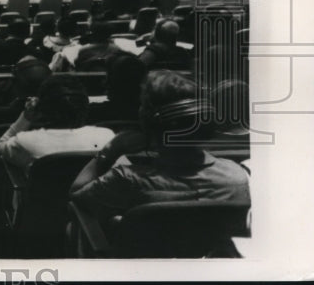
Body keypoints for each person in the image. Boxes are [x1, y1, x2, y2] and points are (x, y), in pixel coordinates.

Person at [70, 70, 250, 221]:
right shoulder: (238, 176)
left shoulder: (126, 180)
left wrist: (110, 151)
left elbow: (77, 198)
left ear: (148, 121)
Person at [0, 74, 114, 173]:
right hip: (89, 201)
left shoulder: (25, 141)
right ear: (84, 105)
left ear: (40, 107)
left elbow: (1, 144)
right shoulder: (107, 137)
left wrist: (26, 117)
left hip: (41, 201)